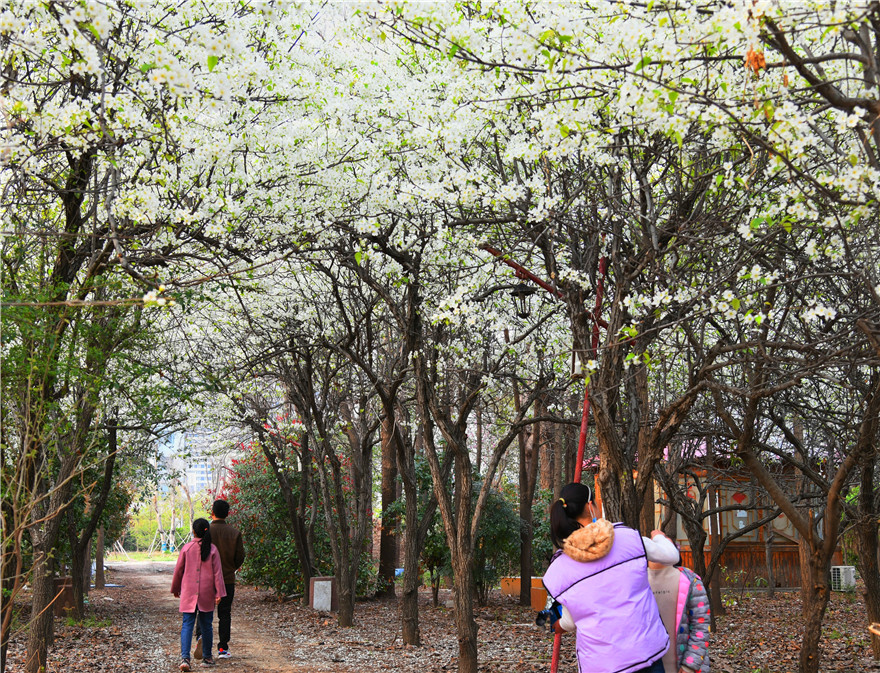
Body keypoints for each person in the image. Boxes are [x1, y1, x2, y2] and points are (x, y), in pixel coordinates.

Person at [541, 482, 680, 673]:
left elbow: (565, 621)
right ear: (591, 506)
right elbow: (671, 555)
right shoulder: (629, 538)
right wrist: (659, 537)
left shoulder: (559, 569)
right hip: (646, 654)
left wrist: (549, 620)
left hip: (600, 665)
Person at [171, 518, 226, 671]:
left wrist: (175, 588)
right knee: (206, 625)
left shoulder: (186, 548)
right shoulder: (213, 549)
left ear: (194, 532)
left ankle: (185, 659)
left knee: (187, 624)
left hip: (188, 592)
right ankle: (207, 657)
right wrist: (219, 593)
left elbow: (179, 570)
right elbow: (217, 573)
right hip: (207, 592)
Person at [648, 557, 711, 673]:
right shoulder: (634, 580)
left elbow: (701, 625)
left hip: (682, 666)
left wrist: (690, 665)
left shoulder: (690, 580)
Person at [207, 499, 245, 659]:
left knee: (204, 612)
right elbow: (240, 557)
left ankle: (202, 641)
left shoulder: (205, 531)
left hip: (206, 579)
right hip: (227, 579)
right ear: (227, 514)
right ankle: (222, 648)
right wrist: (230, 568)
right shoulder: (234, 533)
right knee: (224, 613)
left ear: (212, 512)